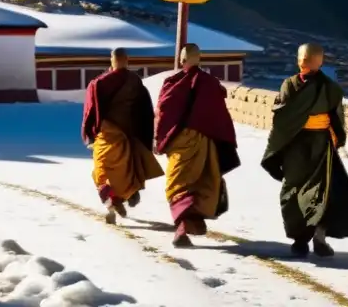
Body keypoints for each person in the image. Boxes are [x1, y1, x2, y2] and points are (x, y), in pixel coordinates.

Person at [261, 42, 348, 257]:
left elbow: (335, 119)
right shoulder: (289, 85)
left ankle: (319, 237)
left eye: (308, 59)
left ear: (319, 61)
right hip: (295, 145)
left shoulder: (330, 88)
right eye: (302, 58)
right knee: (293, 191)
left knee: (321, 193)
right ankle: (300, 239)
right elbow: (283, 118)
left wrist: (334, 141)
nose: (304, 62)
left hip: (319, 146)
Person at [154, 43, 240, 248]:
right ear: (199, 59)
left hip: (180, 141)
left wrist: (160, 139)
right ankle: (192, 222)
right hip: (206, 142)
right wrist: (224, 142)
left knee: (180, 184)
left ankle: (184, 226)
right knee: (201, 183)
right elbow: (220, 115)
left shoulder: (172, 83)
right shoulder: (211, 84)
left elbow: (163, 110)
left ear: (182, 60)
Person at [82, 48, 164, 223]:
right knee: (125, 174)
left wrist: (89, 134)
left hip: (107, 136)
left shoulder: (99, 83)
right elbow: (145, 111)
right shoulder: (134, 81)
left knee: (101, 173)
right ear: (127, 60)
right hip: (127, 135)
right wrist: (146, 134)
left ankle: (111, 206)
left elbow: (90, 112)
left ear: (111, 60)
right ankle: (120, 199)